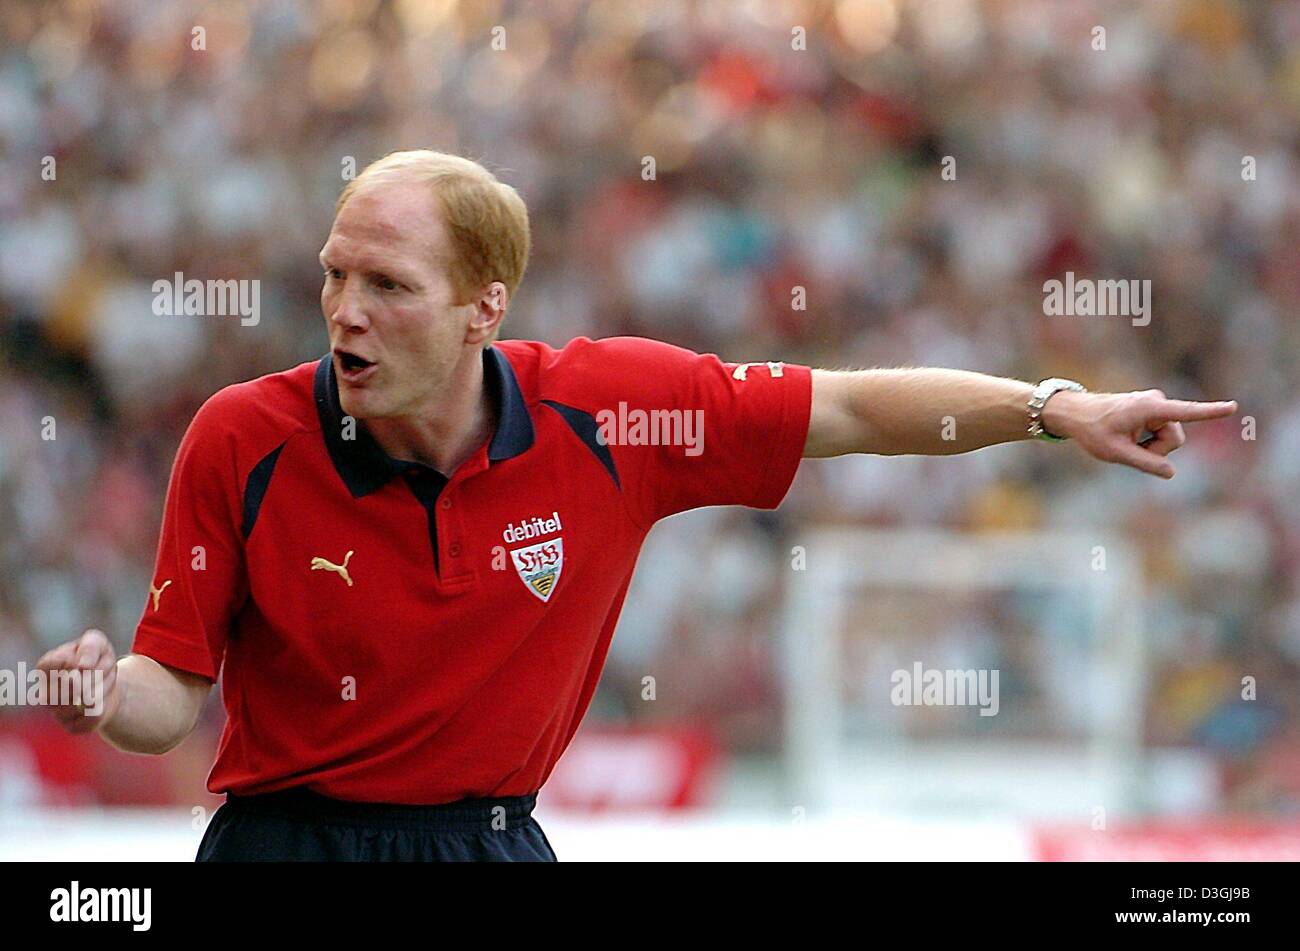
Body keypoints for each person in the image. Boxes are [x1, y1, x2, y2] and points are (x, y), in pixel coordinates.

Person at [35, 150, 1238, 861]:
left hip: (490, 845)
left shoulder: (611, 413)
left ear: (481, 308)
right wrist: (102, 694)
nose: (345, 309)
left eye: (387, 284)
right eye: (333, 275)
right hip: (281, 851)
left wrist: (1049, 404)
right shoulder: (240, 437)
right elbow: (167, 698)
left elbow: (856, 410)